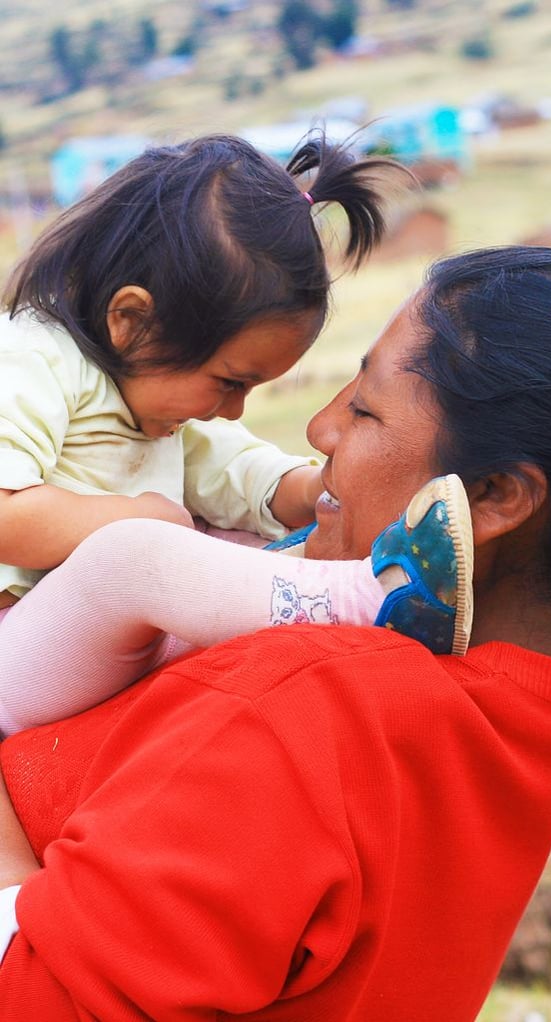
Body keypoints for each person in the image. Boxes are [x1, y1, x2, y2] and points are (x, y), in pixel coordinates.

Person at [0, 245, 551, 1020]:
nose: (319, 427)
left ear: (495, 496)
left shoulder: (295, 710)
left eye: (363, 410)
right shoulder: (542, 686)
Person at [0, 132, 472, 736]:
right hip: (18, 645)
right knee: (140, 555)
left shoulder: (151, 401)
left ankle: (345, 580)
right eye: (228, 382)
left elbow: (228, 470)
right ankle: (372, 597)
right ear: (131, 322)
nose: (232, 409)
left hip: (89, 644)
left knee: (245, 545)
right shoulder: (32, 359)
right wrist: (139, 520)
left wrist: (315, 491)